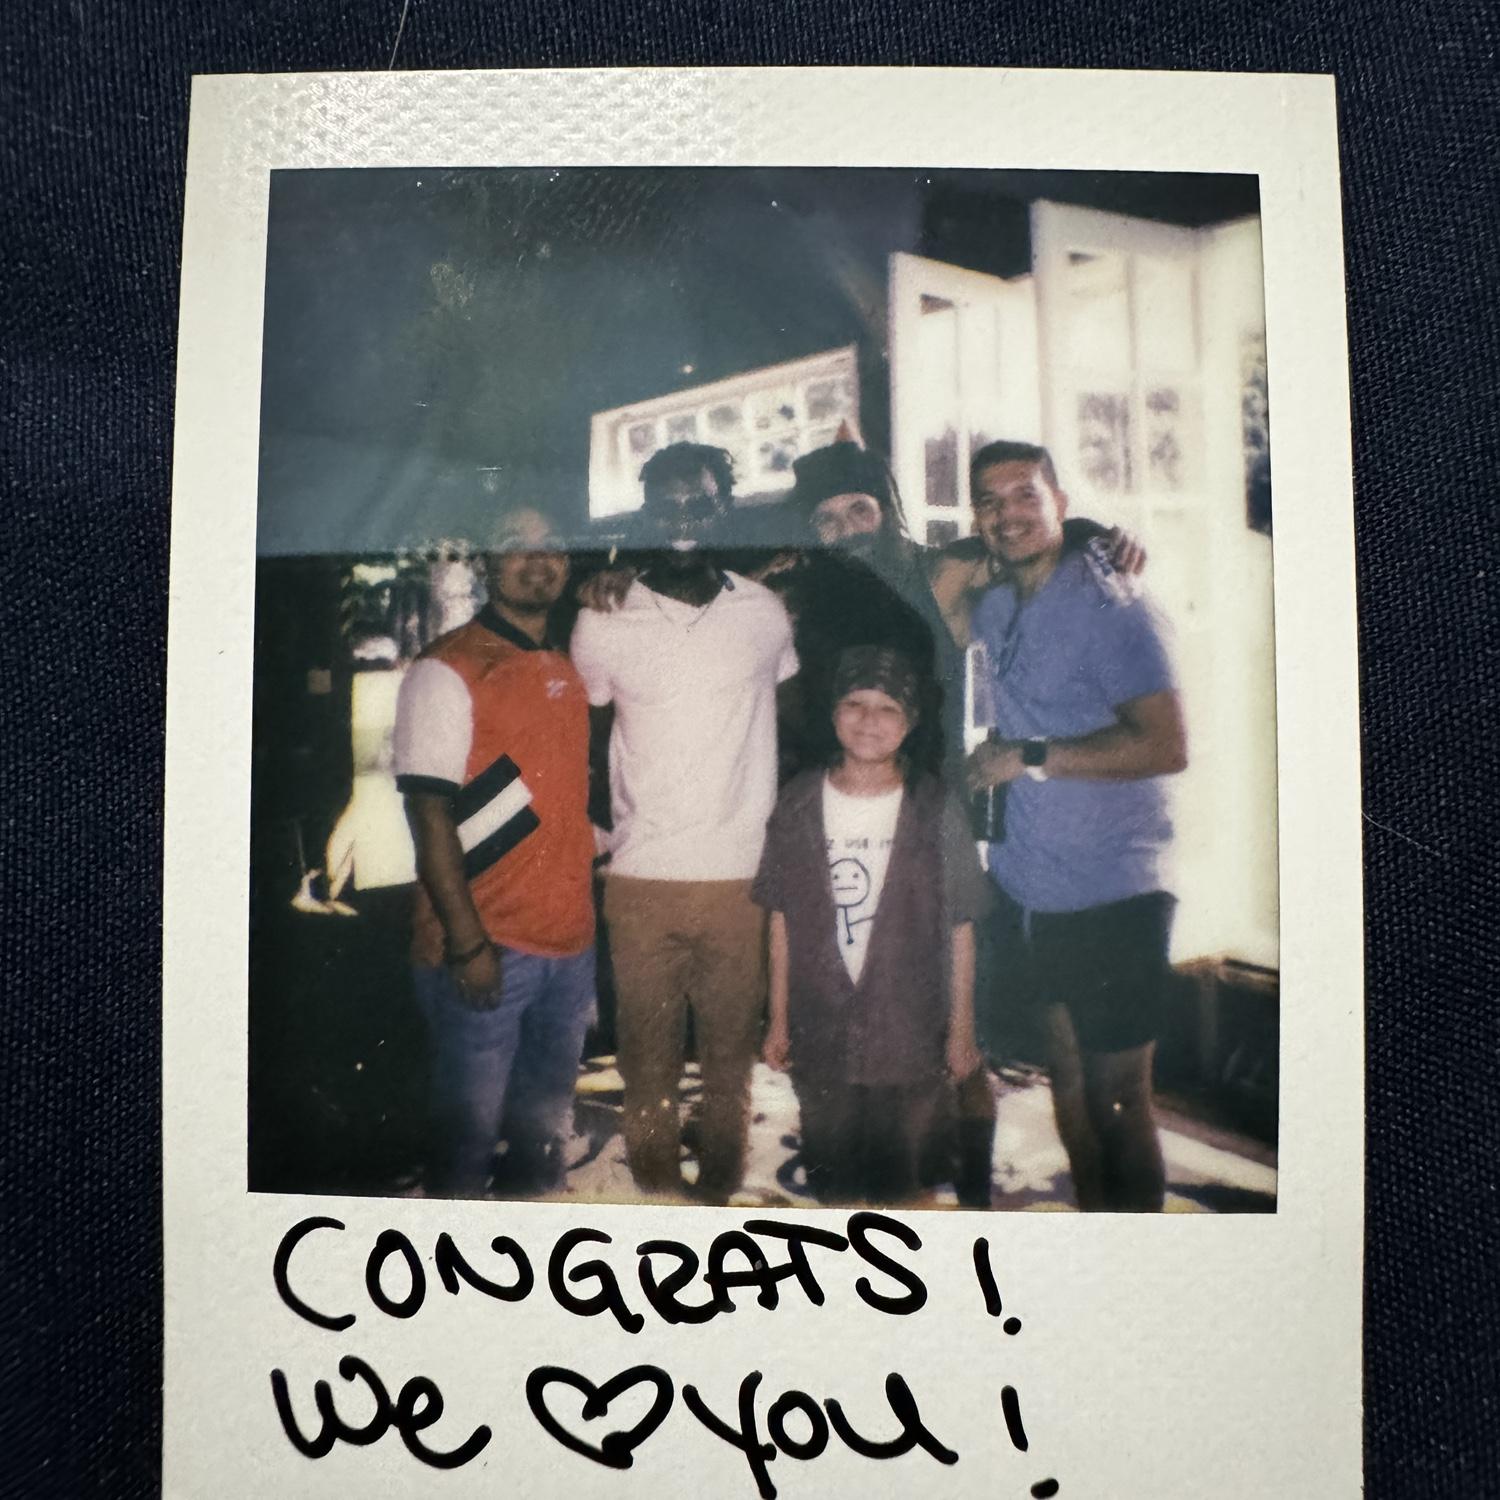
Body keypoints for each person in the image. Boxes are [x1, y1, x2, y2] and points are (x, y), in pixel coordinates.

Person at [571, 442, 799, 1202]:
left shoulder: (764, 614)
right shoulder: (603, 618)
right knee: (647, 1059)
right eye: (665, 504)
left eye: (698, 502)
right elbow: (587, 733)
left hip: (741, 876)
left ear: (723, 506)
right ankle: (659, 1190)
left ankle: (723, 1188)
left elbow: (786, 713)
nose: (682, 518)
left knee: (731, 1059)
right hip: (641, 876)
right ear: (645, 511)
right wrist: (596, 835)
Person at [965, 440, 1188, 1213]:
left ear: (1060, 502)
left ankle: (1140, 1261)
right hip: (1029, 886)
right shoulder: (995, 605)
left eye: (1025, 495)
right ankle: (1096, 1239)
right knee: (1068, 1083)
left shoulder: (1114, 602)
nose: (1008, 514)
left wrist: (1028, 757)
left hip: (1113, 889)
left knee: (1118, 1096)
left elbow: (1167, 745)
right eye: (990, 501)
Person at [392, 505, 597, 1198]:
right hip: (487, 947)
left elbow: (557, 797)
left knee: (543, 1136)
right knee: (465, 1145)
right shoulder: (447, 668)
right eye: (516, 546)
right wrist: (467, 943)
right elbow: (428, 814)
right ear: (485, 562)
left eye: (553, 546)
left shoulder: (563, 662)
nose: (538, 562)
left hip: (569, 946)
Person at [754, 646, 988, 1206]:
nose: (869, 720)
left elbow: (960, 927)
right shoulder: (797, 801)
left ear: (910, 722)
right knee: (833, 1177)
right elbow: (781, 919)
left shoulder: (936, 808)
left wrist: (961, 1029)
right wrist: (779, 1019)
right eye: (855, 703)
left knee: (905, 1182)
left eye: (888, 709)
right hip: (822, 1027)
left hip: (909, 1029)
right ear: (834, 711)